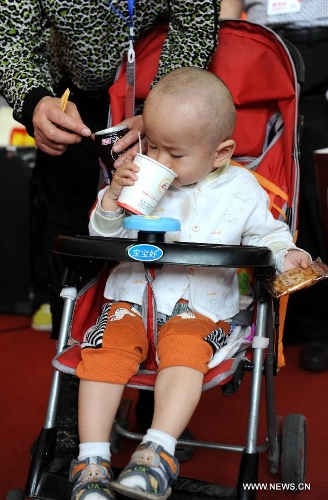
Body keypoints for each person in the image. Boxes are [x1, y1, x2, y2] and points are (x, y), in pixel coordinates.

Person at [66, 67, 310, 500]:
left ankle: (157, 452)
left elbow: (266, 234)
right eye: (153, 146)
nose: (159, 162)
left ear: (221, 153)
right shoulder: (139, 179)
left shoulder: (242, 190)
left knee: (184, 351)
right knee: (103, 351)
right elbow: (104, 237)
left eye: (175, 155)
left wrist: (285, 252)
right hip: (131, 303)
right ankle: (92, 459)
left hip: (199, 311)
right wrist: (110, 202)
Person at [0, 0, 221, 457]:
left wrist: (160, 109)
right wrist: (32, 101)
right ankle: (70, 404)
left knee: (170, 227)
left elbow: (195, 18)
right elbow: (12, 34)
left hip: (165, 84)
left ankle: (155, 404)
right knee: (73, 244)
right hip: (71, 93)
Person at [220, 0, 328, 371]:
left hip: (320, 41)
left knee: (314, 190)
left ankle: (319, 325)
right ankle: (286, 318)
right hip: (262, 47)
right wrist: (224, 45)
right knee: (257, 180)